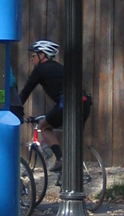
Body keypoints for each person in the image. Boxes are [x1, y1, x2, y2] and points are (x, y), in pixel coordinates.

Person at [18, 39, 91, 175]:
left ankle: (60, 158)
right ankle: (74, 172)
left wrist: (16, 109)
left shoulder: (40, 70)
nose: (31, 59)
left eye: (33, 56)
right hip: (85, 102)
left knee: (44, 127)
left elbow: (25, 92)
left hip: (68, 104)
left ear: (42, 55)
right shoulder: (60, 68)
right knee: (74, 136)